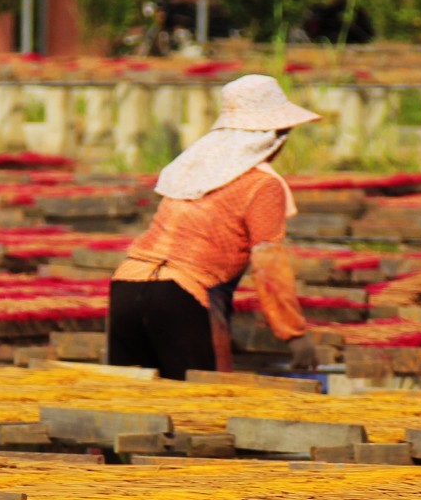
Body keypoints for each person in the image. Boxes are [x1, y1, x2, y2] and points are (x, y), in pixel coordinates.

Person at [109, 74, 315, 379]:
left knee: (132, 406)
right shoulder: (262, 184)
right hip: (183, 295)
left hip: (126, 287)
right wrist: (295, 334)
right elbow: (269, 263)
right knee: (201, 409)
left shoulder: (193, 168)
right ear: (277, 134)